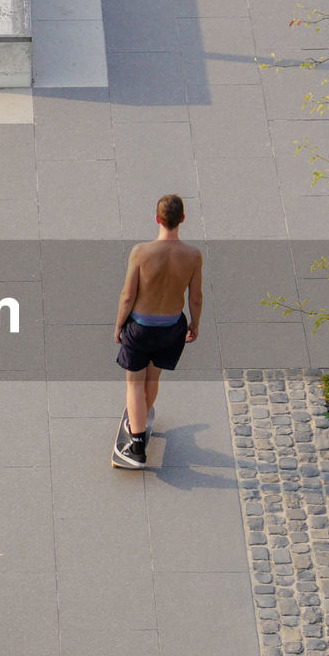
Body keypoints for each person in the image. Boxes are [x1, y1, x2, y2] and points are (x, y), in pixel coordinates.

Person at [113, 193, 203, 468]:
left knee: (134, 383)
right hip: (171, 327)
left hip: (140, 327)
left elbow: (128, 294)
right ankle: (138, 420)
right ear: (183, 219)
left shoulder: (141, 252)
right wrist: (194, 323)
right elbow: (195, 296)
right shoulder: (193, 256)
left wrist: (119, 325)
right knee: (153, 378)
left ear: (157, 218)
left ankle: (136, 445)